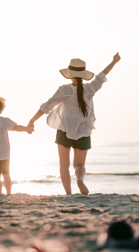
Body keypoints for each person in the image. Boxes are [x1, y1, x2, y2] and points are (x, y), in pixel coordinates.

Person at [28, 53, 121, 195]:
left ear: (70, 74)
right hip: (83, 131)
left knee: (64, 165)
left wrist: (32, 121)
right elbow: (102, 75)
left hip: (64, 130)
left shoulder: (64, 90)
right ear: (83, 75)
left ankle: (69, 194)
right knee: (79, 164)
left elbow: (46, 107)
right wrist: (114, 61)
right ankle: (79, 179)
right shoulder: (90, 89)